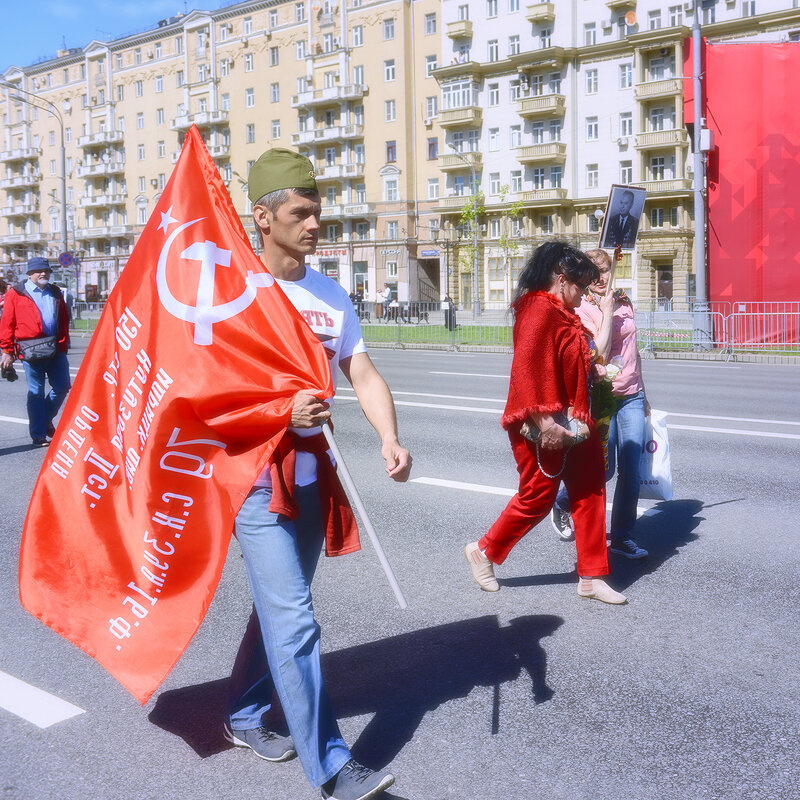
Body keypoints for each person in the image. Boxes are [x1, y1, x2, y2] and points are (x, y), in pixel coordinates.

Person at [225, 148, 412, 800]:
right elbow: (206, 392)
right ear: (263, 215)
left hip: (312, 479)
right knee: (297, 621)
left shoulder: (330, 294)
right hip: (253, 476)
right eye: (301, 213)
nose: (314, 224)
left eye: (317, 212)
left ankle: (245, 715)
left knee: (279, 613)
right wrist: (281, 409)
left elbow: (360, 370)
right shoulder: (234, 291)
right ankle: (331, 767)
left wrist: (389, 436)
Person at [463, 241, 626, 605]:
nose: (584, 294)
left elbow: (581, 354)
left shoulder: (562, 311)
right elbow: (526, 370)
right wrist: (546, 422)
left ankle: (591, 576)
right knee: (537, 498)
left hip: (574, 420)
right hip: (542, 425)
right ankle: (483, 551)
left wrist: (591, 368)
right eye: (580, 286)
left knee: (590, 491)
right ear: (560, 277)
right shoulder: (538, 308)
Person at [551, 248, 649, 560]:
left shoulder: (624, 301)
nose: (602, 278)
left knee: (632, 470)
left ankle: (621, 537)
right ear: (585, 279)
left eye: (606, 271)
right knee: (604, 470)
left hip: (631, 395)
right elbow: (600, 355)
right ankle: (562, 502)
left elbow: (634, 351)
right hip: (604, 398)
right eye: (595, 273)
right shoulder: (584, 309)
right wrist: (606, 311)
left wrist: (645, 393)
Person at [0, 257, 71, 447]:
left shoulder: (55, 291)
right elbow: (7, 323)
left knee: (63, 386)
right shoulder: (15, 294)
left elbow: (63, 318)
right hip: (30, 350)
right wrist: (7, 350)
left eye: (46, 270)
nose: (44, 274)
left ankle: (44, 419)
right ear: (29, 274)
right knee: (36, 392)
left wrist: (64, 343)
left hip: (56, 347)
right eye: (39, 271)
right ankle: (39, 434)